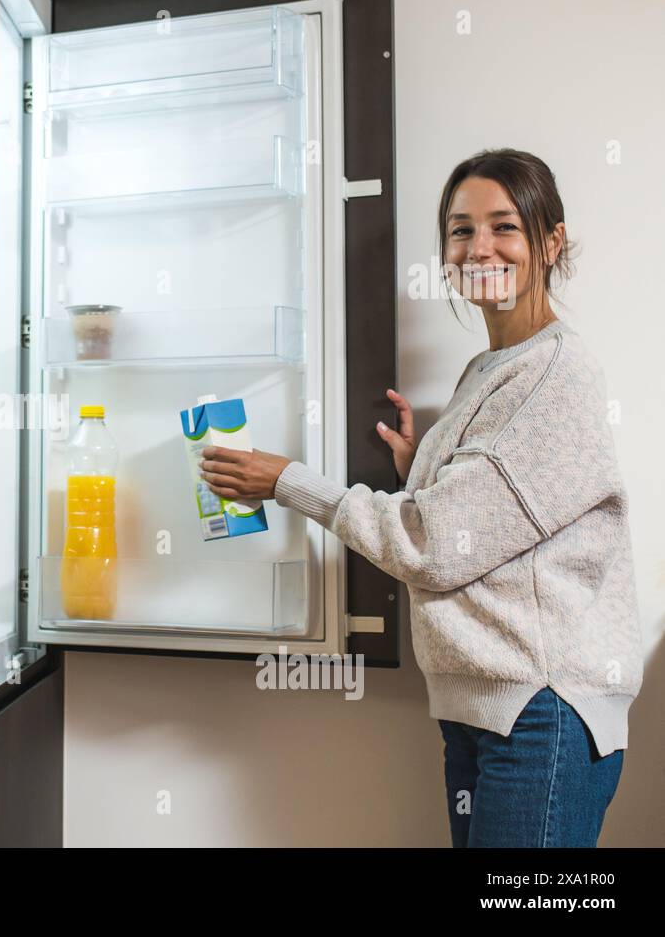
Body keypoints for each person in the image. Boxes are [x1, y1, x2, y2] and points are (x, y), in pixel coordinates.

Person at [199, 148, 642, 848]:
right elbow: (498, 515)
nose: (479, 247)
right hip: (491, 708)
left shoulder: (556, 374)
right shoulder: (491, 368)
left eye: (505, 227)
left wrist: (287, 481)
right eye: (461, 230)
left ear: (551, 241)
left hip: (542, 711)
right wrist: (422, 465)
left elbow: (436, 544)